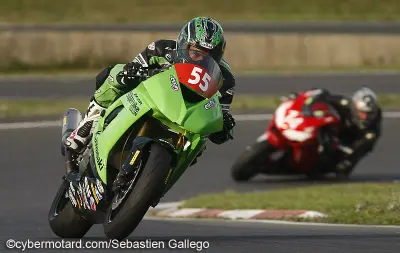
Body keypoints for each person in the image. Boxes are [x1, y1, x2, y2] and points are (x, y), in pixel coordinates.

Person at [64, 17, 236, 184]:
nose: (201, 58)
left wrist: (224, 124)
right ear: (184, 43)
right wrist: (130, 72)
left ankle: (163, 174)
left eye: (209, 54)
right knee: (116, 73)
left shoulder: (225, 79)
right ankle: (88, 123)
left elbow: (218, 116)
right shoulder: (162, 49)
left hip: (188, 118)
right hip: (153, 98)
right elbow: (134, 67)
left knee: (201, 143)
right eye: (195, 52)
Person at [282, 87, 382, 176]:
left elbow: (361, 151)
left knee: (340, 170)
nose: (365, 117)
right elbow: (323, 94)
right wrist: (302, 99)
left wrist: (348, 161)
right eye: (362, 112)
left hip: (345, 146)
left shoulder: (372, 130)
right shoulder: (344, 103)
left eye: (369, 113)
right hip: (331, 131)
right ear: (355, 107)